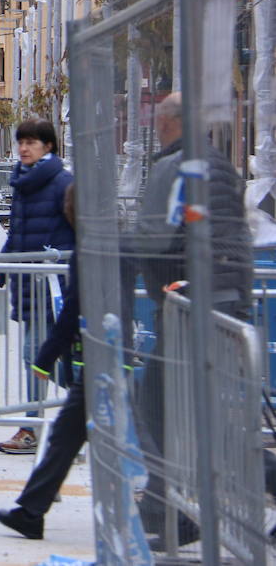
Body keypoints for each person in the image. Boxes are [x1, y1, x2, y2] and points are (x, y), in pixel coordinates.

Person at [126, 91, 253, 548]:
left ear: (170, 122)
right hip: (225, 298)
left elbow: (153, 238)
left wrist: (113, 252)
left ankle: (166, 510)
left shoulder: (172, 167)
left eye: (159, 119)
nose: (156, 127)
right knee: (206, 415)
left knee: (157, 409)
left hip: (188, 303)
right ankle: (173, 509)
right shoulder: (219, 163)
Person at [0, 184, 82, 540]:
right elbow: (72, 314)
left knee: (138, 439)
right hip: (100, 366)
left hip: (108, 366)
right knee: (63, 437)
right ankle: (31, 511)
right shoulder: (87, 249)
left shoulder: (92, 251)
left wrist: (44, 359)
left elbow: (73, 314)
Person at [0, 118, 75, 456]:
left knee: (35, 355)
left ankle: (88, 403)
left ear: (49, 146)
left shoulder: (63, 184)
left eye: (31, 142)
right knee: (36, 357)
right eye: (21, 142)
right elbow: (16, 236)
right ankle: (87, 404)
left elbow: (78, 234)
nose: (24, 148)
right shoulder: (24, 183)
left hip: (53, 287)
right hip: (27, 283)